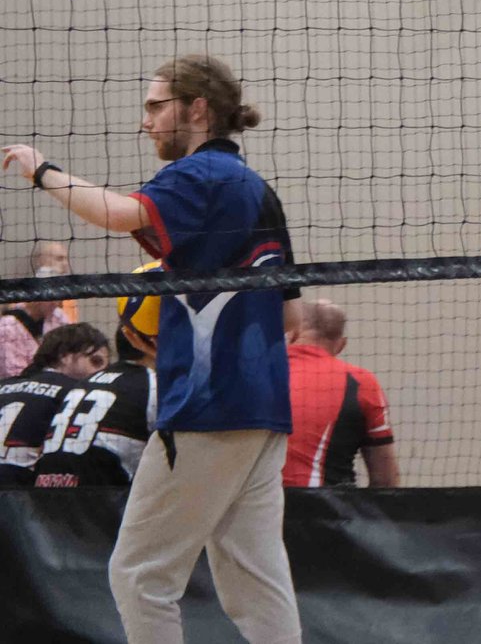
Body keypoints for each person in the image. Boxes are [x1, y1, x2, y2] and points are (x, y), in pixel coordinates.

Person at [3, 55, 302, 644]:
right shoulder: (258, 191)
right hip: (264, 408)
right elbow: (291, 317)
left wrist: (43, 171)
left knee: (139, 574)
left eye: (155, 106)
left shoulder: (199, 174)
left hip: (209, 406)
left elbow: (121, 214)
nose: (146, 121)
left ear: (197, 109)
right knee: (254, 581)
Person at [282, 299, 398, 488]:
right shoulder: (362, 382)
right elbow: (385, 480)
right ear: (341, 345)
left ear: (292, 333)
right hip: (331, 504)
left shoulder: (262, 374)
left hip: (262, 503)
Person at [32, 320, 155, 489]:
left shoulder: (83, 384)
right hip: (102, 496)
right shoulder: (152, 382)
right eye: (95, 361)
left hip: (41, 492)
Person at [0, 322, 114, 485]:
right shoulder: (76, 392)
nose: (101, 373)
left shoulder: (4, 385)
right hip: (20, 488)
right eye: (95, 361)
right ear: (64, 355)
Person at [0, 241, 75, 378]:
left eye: (59, 296)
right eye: (51, 296)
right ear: (35, 294)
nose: (55, 302)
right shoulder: (9, 325)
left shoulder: (59, 318)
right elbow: (12, 373)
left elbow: (72, 354)